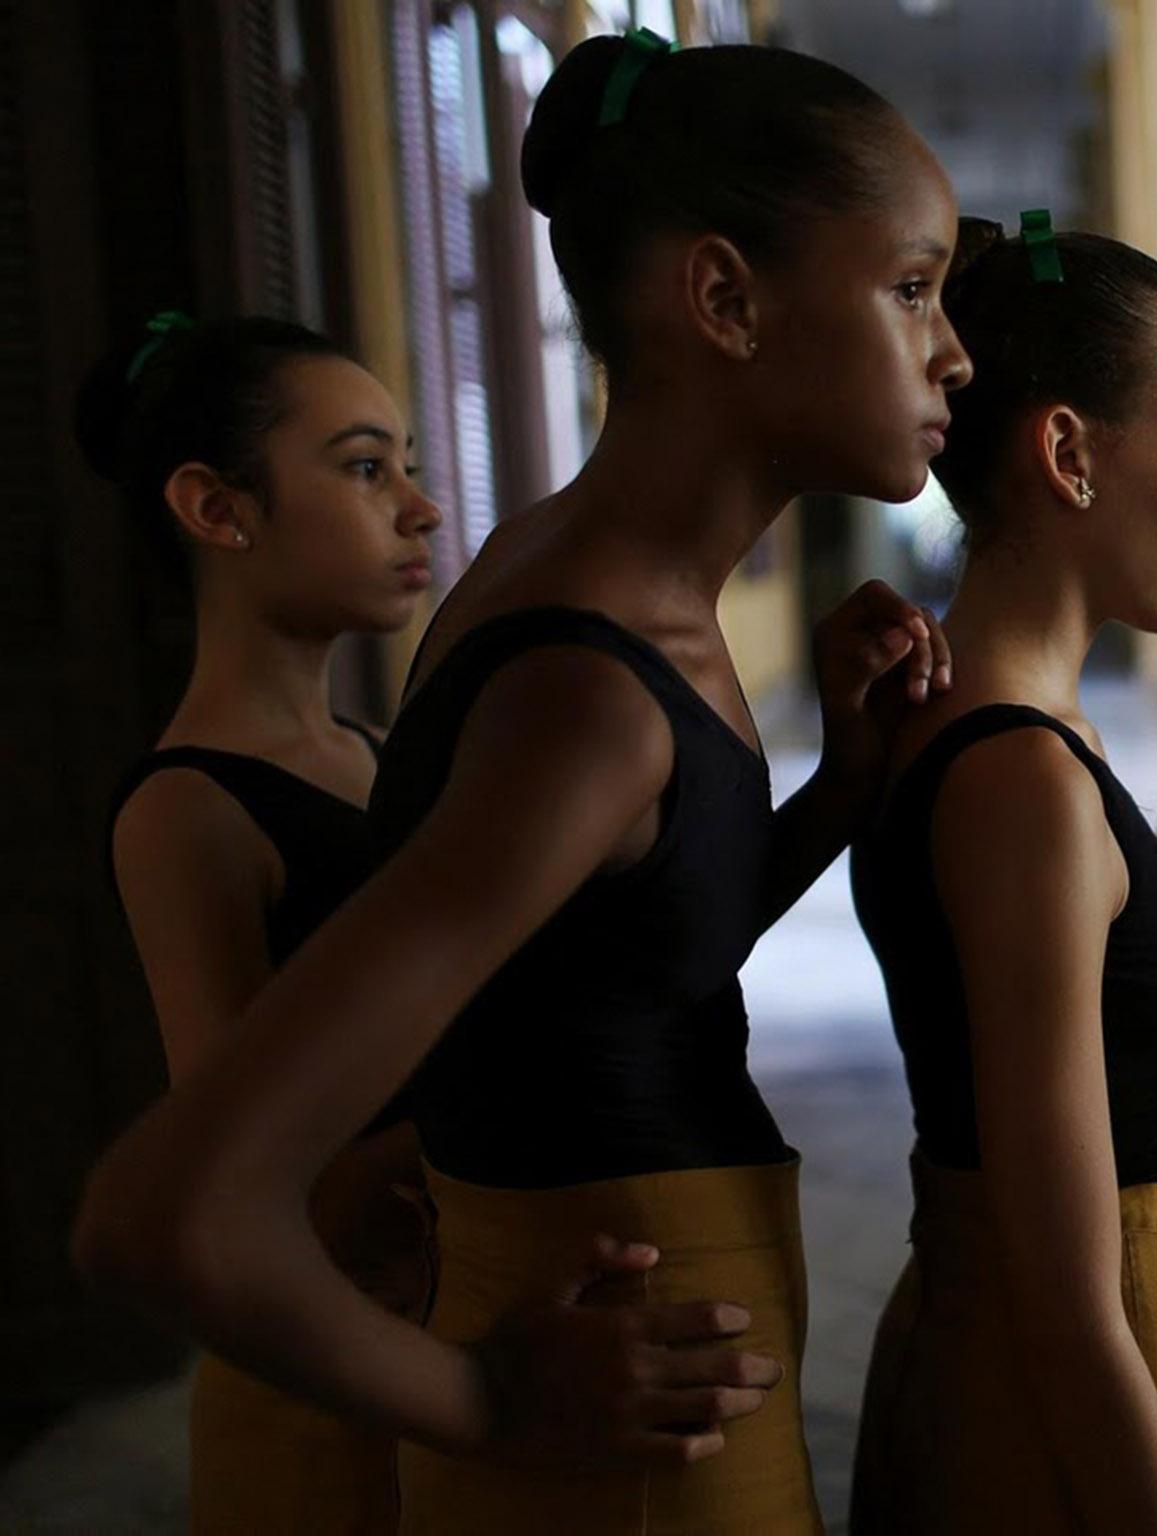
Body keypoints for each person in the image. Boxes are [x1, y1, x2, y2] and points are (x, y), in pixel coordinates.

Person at [73, 32, 969, 1534]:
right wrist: (486, 1400)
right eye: (914, 289)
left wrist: (834, 789)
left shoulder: (605, 594)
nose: (954, 352)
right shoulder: (588, 686)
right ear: (726, 299)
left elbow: (595, 979)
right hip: (620, 1444)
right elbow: (166, 1214)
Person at [848, 216, 1157, 1535]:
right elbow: (1066, 1289)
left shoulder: (991, 727)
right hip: (1082, 1391)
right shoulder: (1017, 775)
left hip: (1028, 1354)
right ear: (1071, 452)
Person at [87, 312, 438, 1533]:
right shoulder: (189, 810)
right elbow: (238, 1187)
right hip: (321, 1388)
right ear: (218, 509)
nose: (419, 508)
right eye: (362, 468)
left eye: (407, 462)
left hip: (433, 1338)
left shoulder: (379, 754)